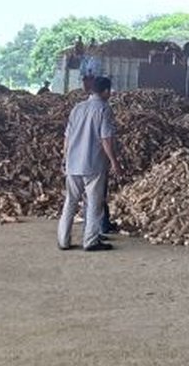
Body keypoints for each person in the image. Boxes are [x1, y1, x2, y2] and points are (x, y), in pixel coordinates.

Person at [57, 76, 120, 252]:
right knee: (94, 203)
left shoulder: (77, 108)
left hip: (73, 162)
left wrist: (65, 157)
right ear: (106, 91)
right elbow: (106, 138)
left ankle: (63, 240)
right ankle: (90, 241)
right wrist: (114, 161)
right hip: (93, 164)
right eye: (110, 91)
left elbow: (67, 137)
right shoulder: (104, 109)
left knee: (70, 202)